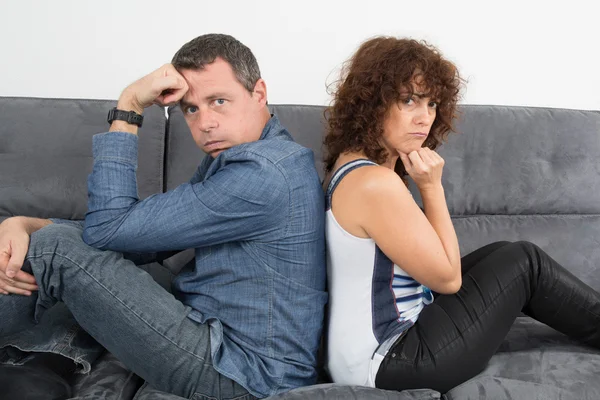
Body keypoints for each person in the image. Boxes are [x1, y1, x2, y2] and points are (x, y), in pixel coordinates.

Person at [0, 33, 327, 400]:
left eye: (219, 101)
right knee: (47, 246)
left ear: (259, 93)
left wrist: (129, 107)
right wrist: (25, 224)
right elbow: (138, 243)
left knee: (54, 250)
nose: (204, 123)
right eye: (191, 108)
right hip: (223, 345)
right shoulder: (243, 156)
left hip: (244, 374)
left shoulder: (264, 174)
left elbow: (109, 230)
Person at [322, 36, 600, 392]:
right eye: (408, 100)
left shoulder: (349, 166)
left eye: (432, 103)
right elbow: (449, 280)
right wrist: (432, 188)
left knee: (503, 253)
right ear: (373, 103)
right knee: (524, 262)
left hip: (369, 356)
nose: (424, 118)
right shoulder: (375, 183)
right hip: (395, 362)